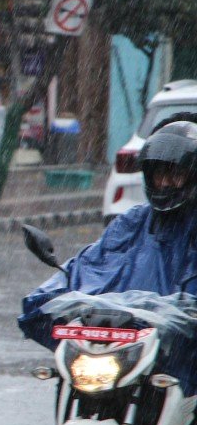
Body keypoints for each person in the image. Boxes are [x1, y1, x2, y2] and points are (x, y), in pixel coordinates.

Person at [20, 119, 197, 393]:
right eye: (158, 174)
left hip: (173, 354)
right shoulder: (132, 223)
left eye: (175, 175)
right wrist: (54, 295)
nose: (164, 184)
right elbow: (92, 265)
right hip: (121, 341)